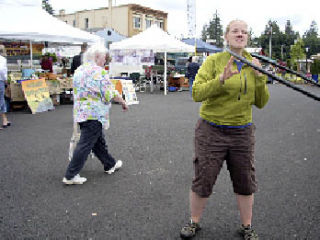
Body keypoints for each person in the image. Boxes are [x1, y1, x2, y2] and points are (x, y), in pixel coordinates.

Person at [180, 19, 270, 240]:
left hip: (242, 131)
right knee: (204, 177)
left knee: (245, 179)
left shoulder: (253, 64)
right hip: (211, 130)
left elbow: (261, 102)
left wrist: (260, 78)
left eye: (244, 32)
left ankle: (246, 226)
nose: (240, 35)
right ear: (226, 37)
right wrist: (221, 79)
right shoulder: (214, 62)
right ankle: (194, 222)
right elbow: (196, 93)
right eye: (235, 31)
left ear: (248, 37)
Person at [62, 44, 128, 185]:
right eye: (104, 57)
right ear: (97, 57)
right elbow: (109, 93)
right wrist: (122, 101)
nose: (105, 61)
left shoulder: (80, 70)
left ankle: (110, 164)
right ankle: (70, 175)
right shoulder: (98, 72)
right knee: (86, 144)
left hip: (81, 112)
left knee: (97, 142)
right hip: (94, 113)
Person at [0, 45, 11, 130]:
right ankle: (4, 120)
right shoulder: (2, 59)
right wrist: (5, 79)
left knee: (1, 100)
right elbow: (2, 70)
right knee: (1, 100)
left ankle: (5, 119)